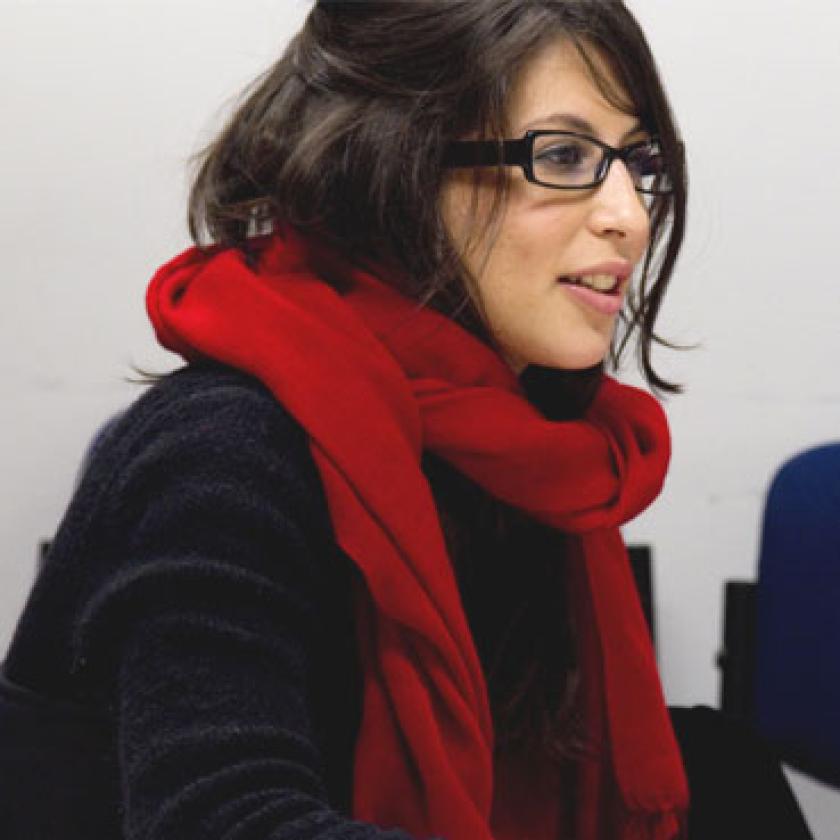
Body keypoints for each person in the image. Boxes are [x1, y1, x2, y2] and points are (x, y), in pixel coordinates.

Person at [0, 2, 813, 839]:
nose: (631, 219)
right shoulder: (218, 453)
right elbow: (219, 819)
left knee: (725, 771)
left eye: (635, 161)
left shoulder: (525, 445)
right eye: (565, 156)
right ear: (392, 167)